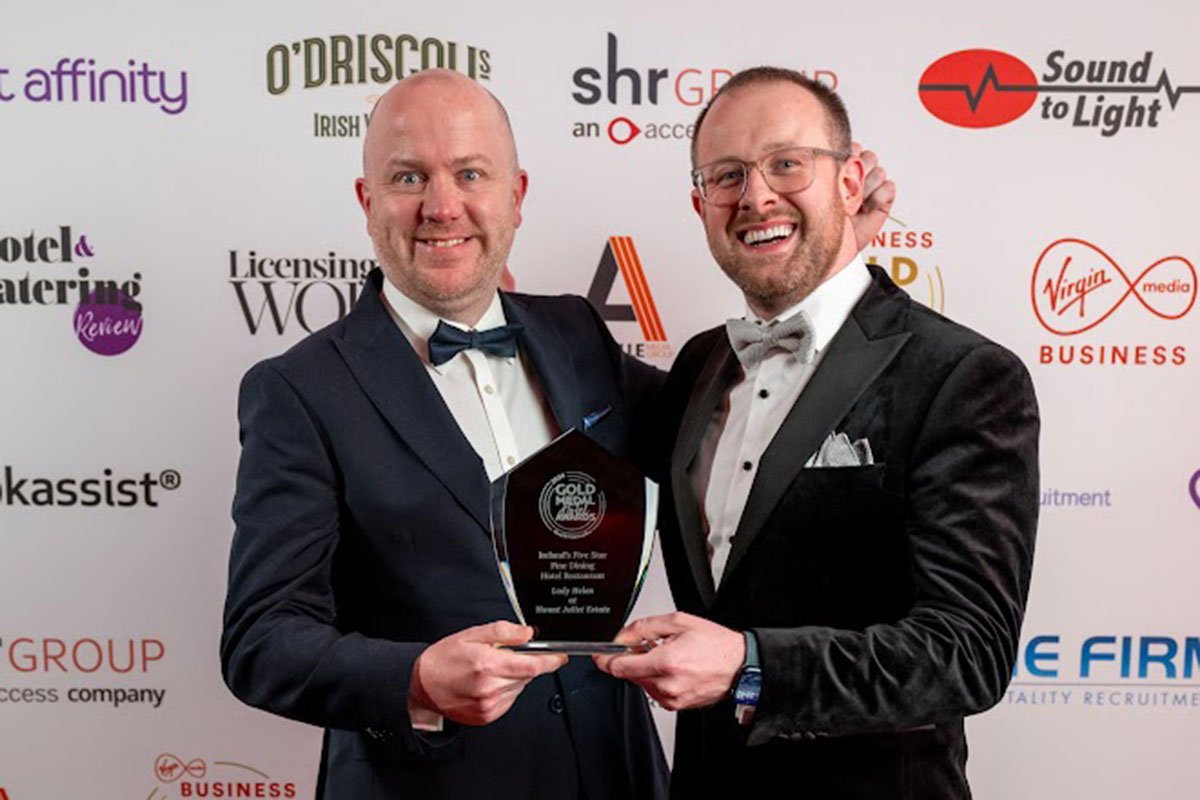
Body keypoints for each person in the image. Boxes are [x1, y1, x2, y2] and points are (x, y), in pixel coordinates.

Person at [220, 69, 668, 799]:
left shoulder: (579, 333)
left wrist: (841, 262)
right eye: (408, 177)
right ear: (368, 204)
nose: (442, 206)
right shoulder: (299, 391)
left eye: (470, 173)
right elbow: (261, 640)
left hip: (617, 771)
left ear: (516, 196)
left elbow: (724, 419)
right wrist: (418, 678)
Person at [597, 67, 1039, 799]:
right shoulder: (699, 366)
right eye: (727, 174)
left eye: (787, 164)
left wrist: (748, 665)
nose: (757, 195)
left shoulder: (960, 374)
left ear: (851, 178)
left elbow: (968, 652)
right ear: (700, 203)